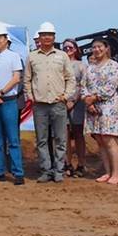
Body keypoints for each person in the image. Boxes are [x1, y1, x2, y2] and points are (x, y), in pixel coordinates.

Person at [24, 22, 75, 183]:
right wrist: (31, 96)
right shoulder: (32, 56)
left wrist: (66, 96)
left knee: (60, 139)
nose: (46, 37)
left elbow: (70, 78)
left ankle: (59, 170)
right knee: (42, 140)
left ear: (54, 37)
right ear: (39, 37)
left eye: (49, 34)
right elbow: (27, 79)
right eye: (43, 34)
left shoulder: (62, 56)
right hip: (39, 105)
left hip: (58, 103)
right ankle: (46, 170)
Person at [0, 25, 25, 185]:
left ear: (6, 40)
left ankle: (18, 172)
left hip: (9, 101)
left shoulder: (13, 56)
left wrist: (0, 93)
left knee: (13, 139)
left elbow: (16, 78)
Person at [82, 38, 118, 185]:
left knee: (109, 139)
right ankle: (107, 172)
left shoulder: (114, 66)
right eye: (94, 47)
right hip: (92, 109)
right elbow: (83, 85)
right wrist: (88, 101)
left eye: (100, 46)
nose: (97, 49)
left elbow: (110, 86)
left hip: (108, 107)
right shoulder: (90, 67)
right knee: (100, 140)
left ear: (106, 48)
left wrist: (94, 98)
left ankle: (116, 173)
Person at [61, 39, 87, 178]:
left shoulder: (81, 66)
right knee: (64, 135)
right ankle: (67, 163)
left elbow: (83, 85)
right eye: (65, 47)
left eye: (70, 47)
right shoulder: (60, 64)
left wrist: (74, 101)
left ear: (76, 49)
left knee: (78, 134)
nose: (67, 49)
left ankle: (81, 164)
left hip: (77, 103)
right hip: (62, 102)